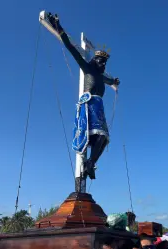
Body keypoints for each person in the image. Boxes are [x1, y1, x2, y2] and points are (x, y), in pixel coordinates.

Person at [45, 12, 120, 181]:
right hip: (89, 106)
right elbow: (71, 48)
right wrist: (58, 27)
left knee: (104, 137)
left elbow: (111, 81)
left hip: (99, 109)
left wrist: (114, 81)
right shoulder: (87, 68)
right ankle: (87, 165)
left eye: (105, 63)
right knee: (95, 136)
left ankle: (90, 164)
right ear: (94, 60)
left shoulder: (102, 77)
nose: (103, 65)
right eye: (101, 61)